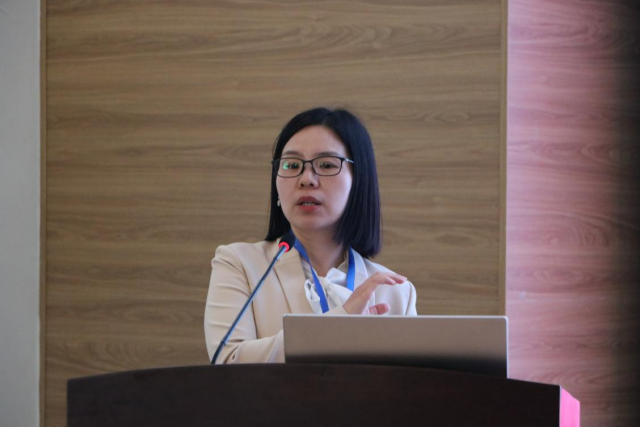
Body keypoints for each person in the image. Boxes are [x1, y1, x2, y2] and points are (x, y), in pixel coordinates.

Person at [205, 107, 417, 364]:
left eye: (326, 165)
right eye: (292, 165)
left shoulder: (394, 291)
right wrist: (342, 319)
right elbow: (227, 361)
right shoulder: (239, 264)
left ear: (358, 183)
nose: (306, 179)